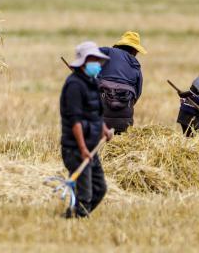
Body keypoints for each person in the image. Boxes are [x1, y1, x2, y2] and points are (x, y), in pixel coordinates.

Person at [59, 41, 114, 218]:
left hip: (91, 147)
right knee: (85, 194)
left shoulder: (93, 82)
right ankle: (78, 218)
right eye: (93, 60)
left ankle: (73, 216)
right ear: (83, 61)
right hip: (76, 149)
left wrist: (104, 130)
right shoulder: (74, 86)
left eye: (98, 60)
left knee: (100, 188)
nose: (97, 64)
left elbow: (96, 114)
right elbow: (75, 121)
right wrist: (82, 149)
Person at [98, 31, 146, 134]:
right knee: (119, 141)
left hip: (102, 115)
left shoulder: (109, 52)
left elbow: (90, 52)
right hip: (125, 117)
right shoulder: (136, 65)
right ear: (134, 50)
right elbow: (138, 93)